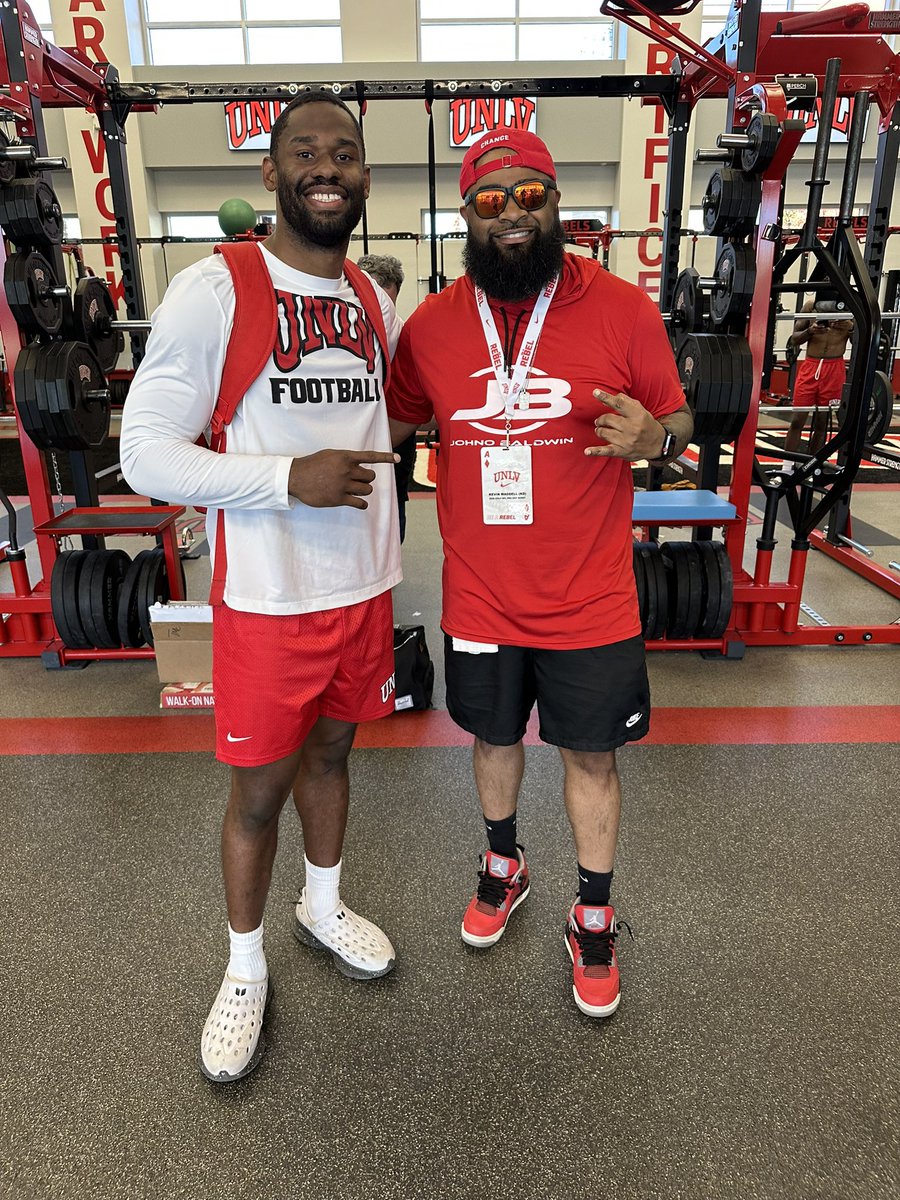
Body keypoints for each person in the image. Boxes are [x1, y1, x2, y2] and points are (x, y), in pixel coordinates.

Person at [120, 95, 402, 1083]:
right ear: (273, 175)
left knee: (334, 757)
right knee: (256, 796)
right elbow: (142, 453)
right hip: (271, 604)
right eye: (306, 153)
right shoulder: (218, 289)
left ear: (366, 176)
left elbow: (384, 425)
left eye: (347, 153)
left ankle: (321, 907)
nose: (328, 168)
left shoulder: (372, 297)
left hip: (364, 590)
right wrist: (287, 481)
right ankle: (244, 970)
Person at [387, 128, 692, 1019]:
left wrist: (658, 442)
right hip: (480, 591)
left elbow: (677, 421)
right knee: (491, 738)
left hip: (591, 595)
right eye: (490, 201)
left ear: (557, 204)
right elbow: (394, 428)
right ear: (465, 216)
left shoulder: (625, 310)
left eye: (531, 197)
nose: (513, 215)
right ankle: (501, 864)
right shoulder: (434, 327)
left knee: (592, 756)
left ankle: (593, 916)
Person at [356, 253, 416, 541]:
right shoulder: (340, 333)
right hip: (351, 435)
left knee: (394, 512)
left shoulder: (405, 334)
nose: (380, 308)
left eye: (386, 300)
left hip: (395, 437)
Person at [784, 296, 854, 464]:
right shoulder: (810, 307)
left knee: (822, 422)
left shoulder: (850, 308)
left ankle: (812, 466)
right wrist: (810, 331)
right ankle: (786, 468)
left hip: (834, 369)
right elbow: (794, 339)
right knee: (796, 421)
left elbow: (861, 340)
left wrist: (851, 328)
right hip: (811, 367)